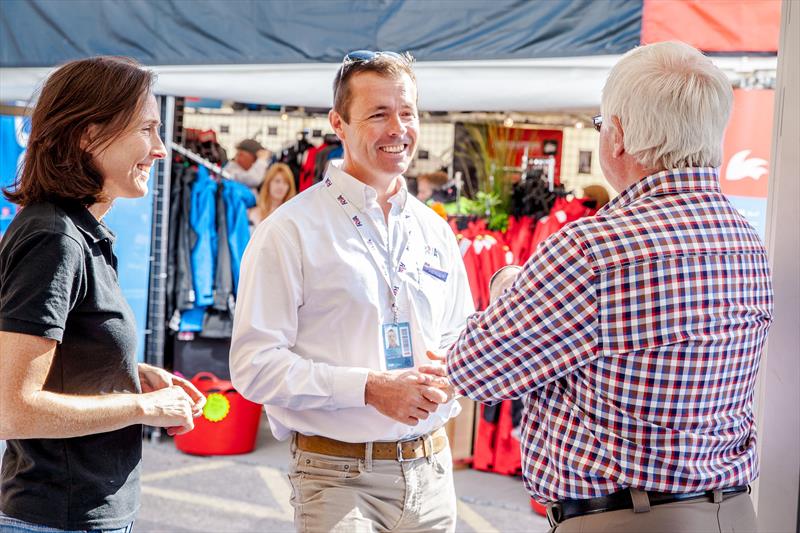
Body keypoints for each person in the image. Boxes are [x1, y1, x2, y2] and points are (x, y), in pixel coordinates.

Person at [438, 41, 774, 533]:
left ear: (616, 136)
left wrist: (512, 284)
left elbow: (472, 370)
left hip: (626, 518)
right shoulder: (746, 241)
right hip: (732, 512)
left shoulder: (594, 250)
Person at [230, 50, 474, 532]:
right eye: (378, 114)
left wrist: (451, 372)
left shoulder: (435, 230)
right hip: (338, 477)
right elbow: (253, 367)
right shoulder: (289, 231)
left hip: (432, 471)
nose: (397, 128)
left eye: (406, 112)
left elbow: (459, 334)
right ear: (338, 123)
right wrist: (368, 388)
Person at [0, 56, 206, 532]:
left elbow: (57, 363)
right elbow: (12, 408)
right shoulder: (55, 238)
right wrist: (145, 407)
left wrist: (126, 373)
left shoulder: (78, 231)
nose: (161, 149)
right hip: (56, 519)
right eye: (147, 129)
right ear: (87, 135)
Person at [248, 162, 297, 227]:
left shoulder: (293, 215)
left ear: (289, 187)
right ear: (268, 183)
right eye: (277, 181)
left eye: (286, 183)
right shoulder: (254, 214)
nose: (281, 186)